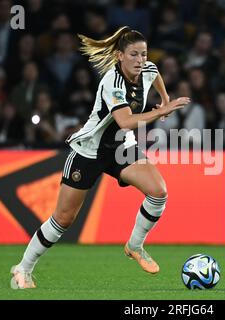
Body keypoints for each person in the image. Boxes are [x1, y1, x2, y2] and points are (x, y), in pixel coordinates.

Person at [10, 26, 190, 289]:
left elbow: (155, 74)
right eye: (134, 55)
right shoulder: (111, 82)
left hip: (119, 147)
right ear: (119, 56)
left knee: (158, 191)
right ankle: (23, 269)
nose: (140, 60)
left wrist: (164, 100)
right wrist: (161, 111)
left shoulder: (147, 69)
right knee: (63, 218)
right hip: (90, 150)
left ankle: (135, 246)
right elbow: (126, 120)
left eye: (143, 54)